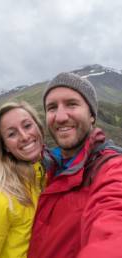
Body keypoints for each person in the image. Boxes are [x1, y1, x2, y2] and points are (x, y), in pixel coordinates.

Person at [28, 72, 122, 258]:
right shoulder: (44, 167)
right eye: (52, 108)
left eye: (72, 104)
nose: (61, 117)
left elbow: (113, 226)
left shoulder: (110, 168)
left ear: (92, 115)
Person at [0, 101, 46, 258]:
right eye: (12, 134)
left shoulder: (44, 174)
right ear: (4, 146)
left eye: (27, 126)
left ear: (38, 126)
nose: (25, 136)